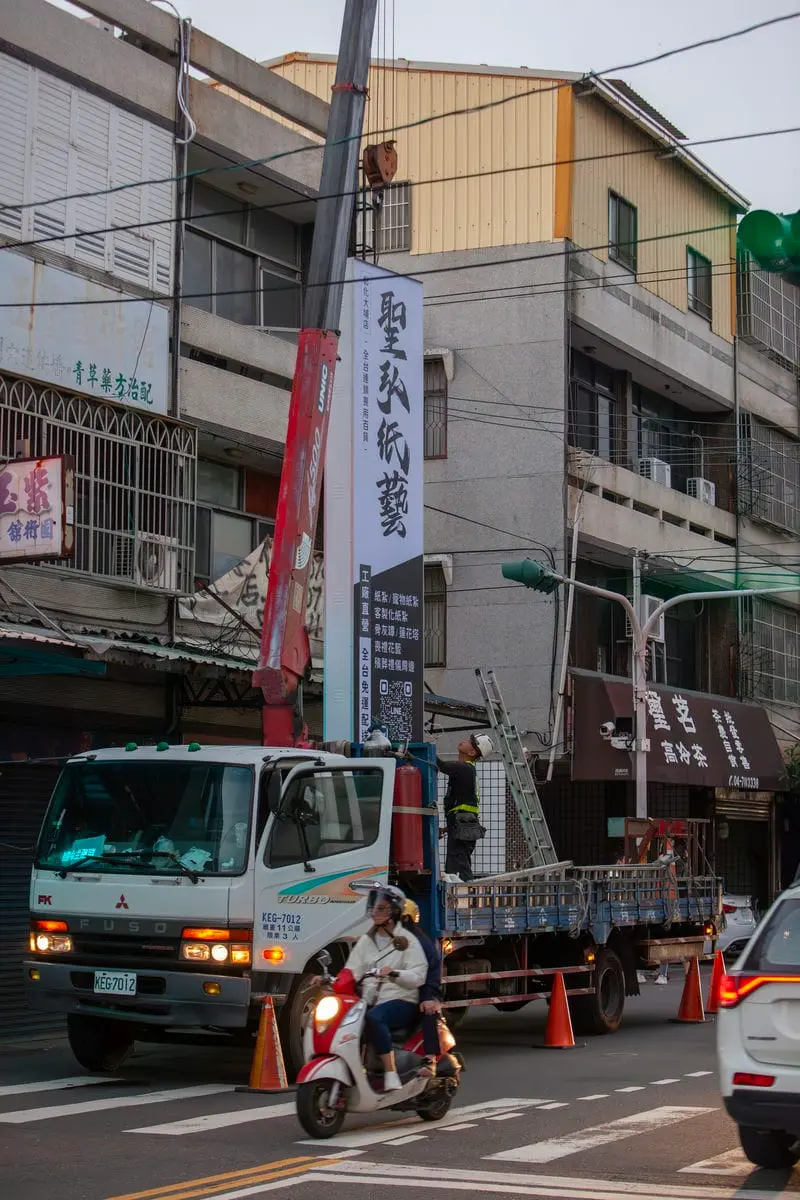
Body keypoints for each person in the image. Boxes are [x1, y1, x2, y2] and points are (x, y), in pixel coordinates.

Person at [341, 885, 428, 1091]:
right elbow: (352, 969)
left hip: (402, 1000)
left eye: (381, 908)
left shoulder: (408, 942)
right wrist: (329, 980)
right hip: (372, 1000)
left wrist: (395, 974)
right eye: (373, 907)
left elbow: (418, 976)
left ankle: (390, 1073)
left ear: (395, 912)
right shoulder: (366, 941)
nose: (374, 912)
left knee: (374, 1018)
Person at [437, 734, 493, 882]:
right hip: (463, 827)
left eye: (470, 742)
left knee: (458, 868)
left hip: (463, 827)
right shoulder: (466, 770)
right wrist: (447, 829)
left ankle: (465, 900)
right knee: (457, 865)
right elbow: (465, 809)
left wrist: (426, 748)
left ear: (472, 753)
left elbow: (439, 765)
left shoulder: (464, 768)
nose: (463, 741)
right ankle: (463, 899)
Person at [400, 898, 443, 1076]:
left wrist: (428, 996)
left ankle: (430, 1058)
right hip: (395, 989)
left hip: (421, 989)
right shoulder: (384, 940)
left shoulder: (420, 942)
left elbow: (433, 969)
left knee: (428, 1010)